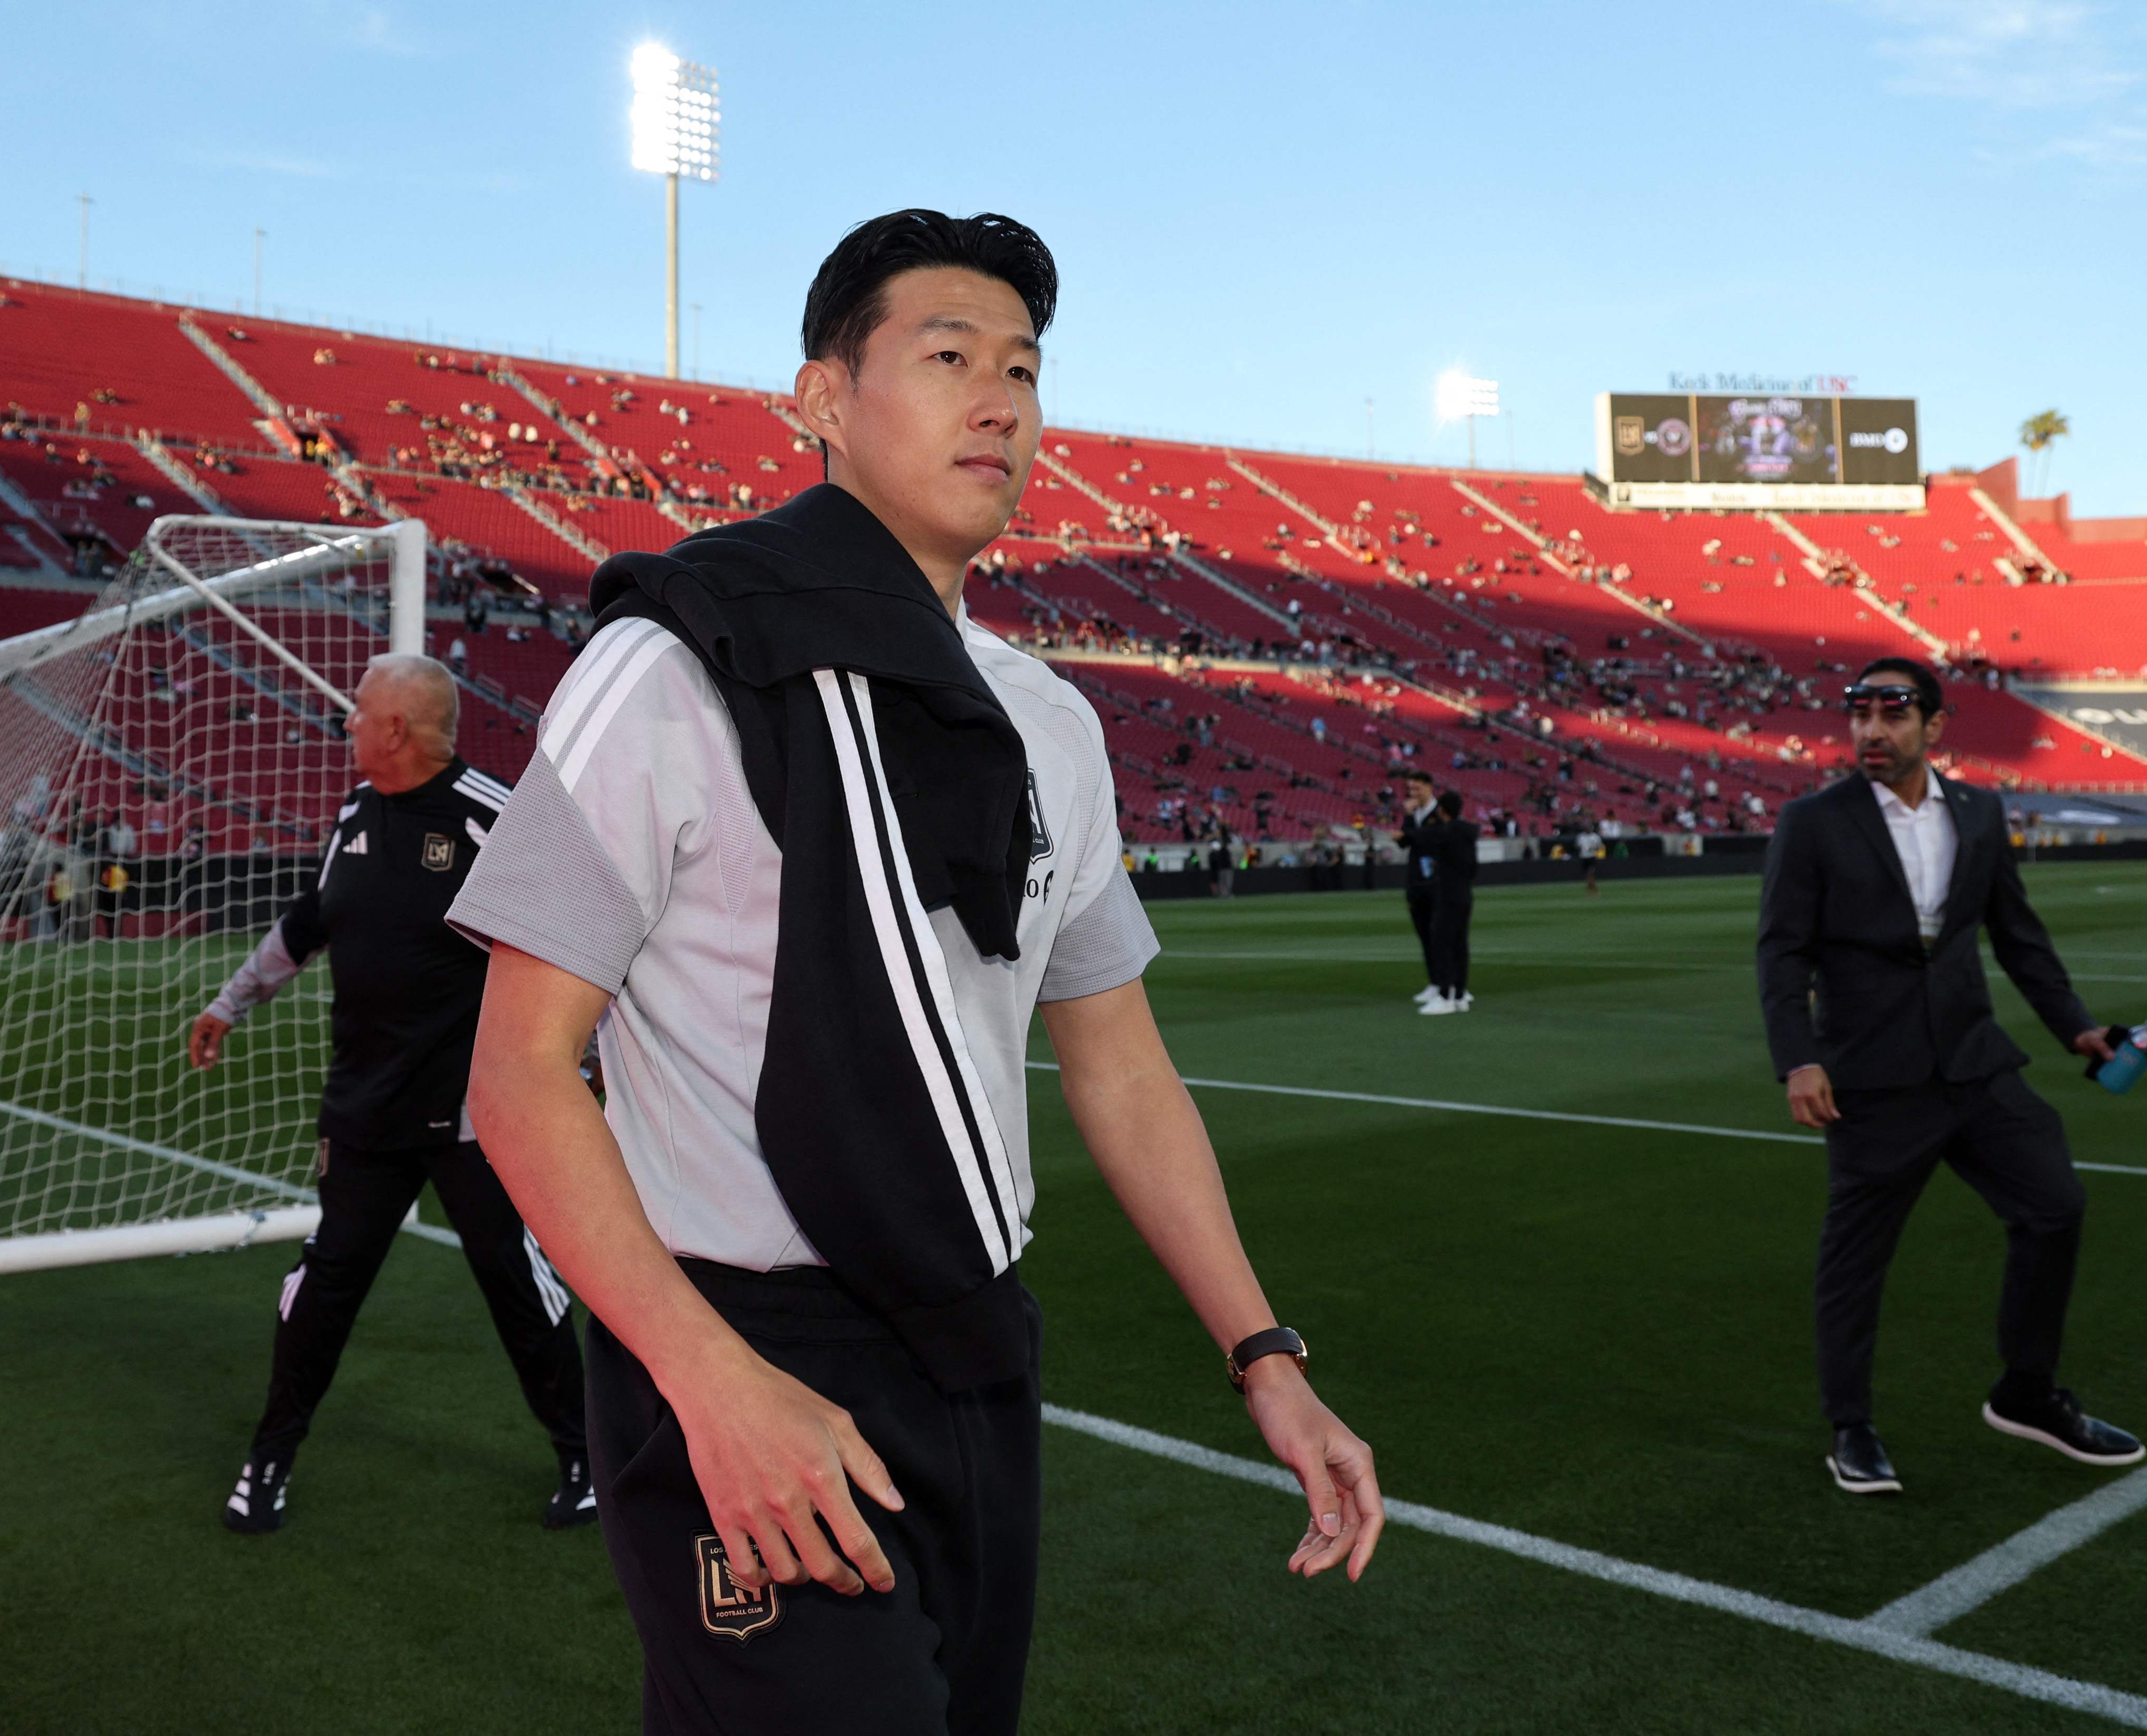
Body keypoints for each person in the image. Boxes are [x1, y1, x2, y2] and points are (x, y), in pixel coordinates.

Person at [449, 209, 1380, 1736]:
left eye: (1021, 366)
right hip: (741, 1346)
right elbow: (518, 1068)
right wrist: (708, 1382)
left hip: (971, 1341)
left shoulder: (1049, 724)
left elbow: (1119, 1066)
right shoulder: (673, 665)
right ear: (820, 397)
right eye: (946, 356)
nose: (1000, 400)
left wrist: (1263, 1355)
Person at [187, 654, 590, 1535]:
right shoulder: (355, 811)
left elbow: (583, 933)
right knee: (323, 1283)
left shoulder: (494, 814)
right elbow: (309, 920)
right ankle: (269, 1458)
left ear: (396, 729)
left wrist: (578, 1056)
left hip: (475, 1114)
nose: (347, 726)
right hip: (365, 1108)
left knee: (516, 1283)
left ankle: (585, 1456)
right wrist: (230, 1002)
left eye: (358, 712)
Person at [1756, 655, 2145, 1498]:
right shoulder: (1813, 822)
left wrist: (2075, 1026)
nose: (1871, 730)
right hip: (1873, 1078)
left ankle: (2027, 1394)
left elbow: (2018, 935)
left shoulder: (1977, 810)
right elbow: (1782, 952)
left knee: (2055, 1205)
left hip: (1975, 1066)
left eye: (1893, 714)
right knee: (1857, 1261)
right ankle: (1851, 1427)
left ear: (1934, 727)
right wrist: (1799, 1057)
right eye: (1859, 713)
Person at [1413, 789, 1479, 1015]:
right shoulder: (1468, 834)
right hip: (1465, 893)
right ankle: (1460, 995)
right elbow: (1473, 869)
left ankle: (1444, 996)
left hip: (1448, 894)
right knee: (1460, 944)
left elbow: (1420, 836)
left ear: (1442, 811)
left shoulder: (1445, 833)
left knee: (1441, 943)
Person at [1396, 771, 1439, 1007]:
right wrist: (1407, 821)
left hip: (1436, 882)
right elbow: (1405, 842)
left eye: (1417, 789)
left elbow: (1422, 840)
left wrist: (1409, 823)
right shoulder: (1415, 814)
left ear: (1429, 787)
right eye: (1410, 790)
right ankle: (1435, 982)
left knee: (1439, 935)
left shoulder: (1439, 814)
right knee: (1424, 936)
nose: (1413, 794)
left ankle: (1449, 983)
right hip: (1416, 882)